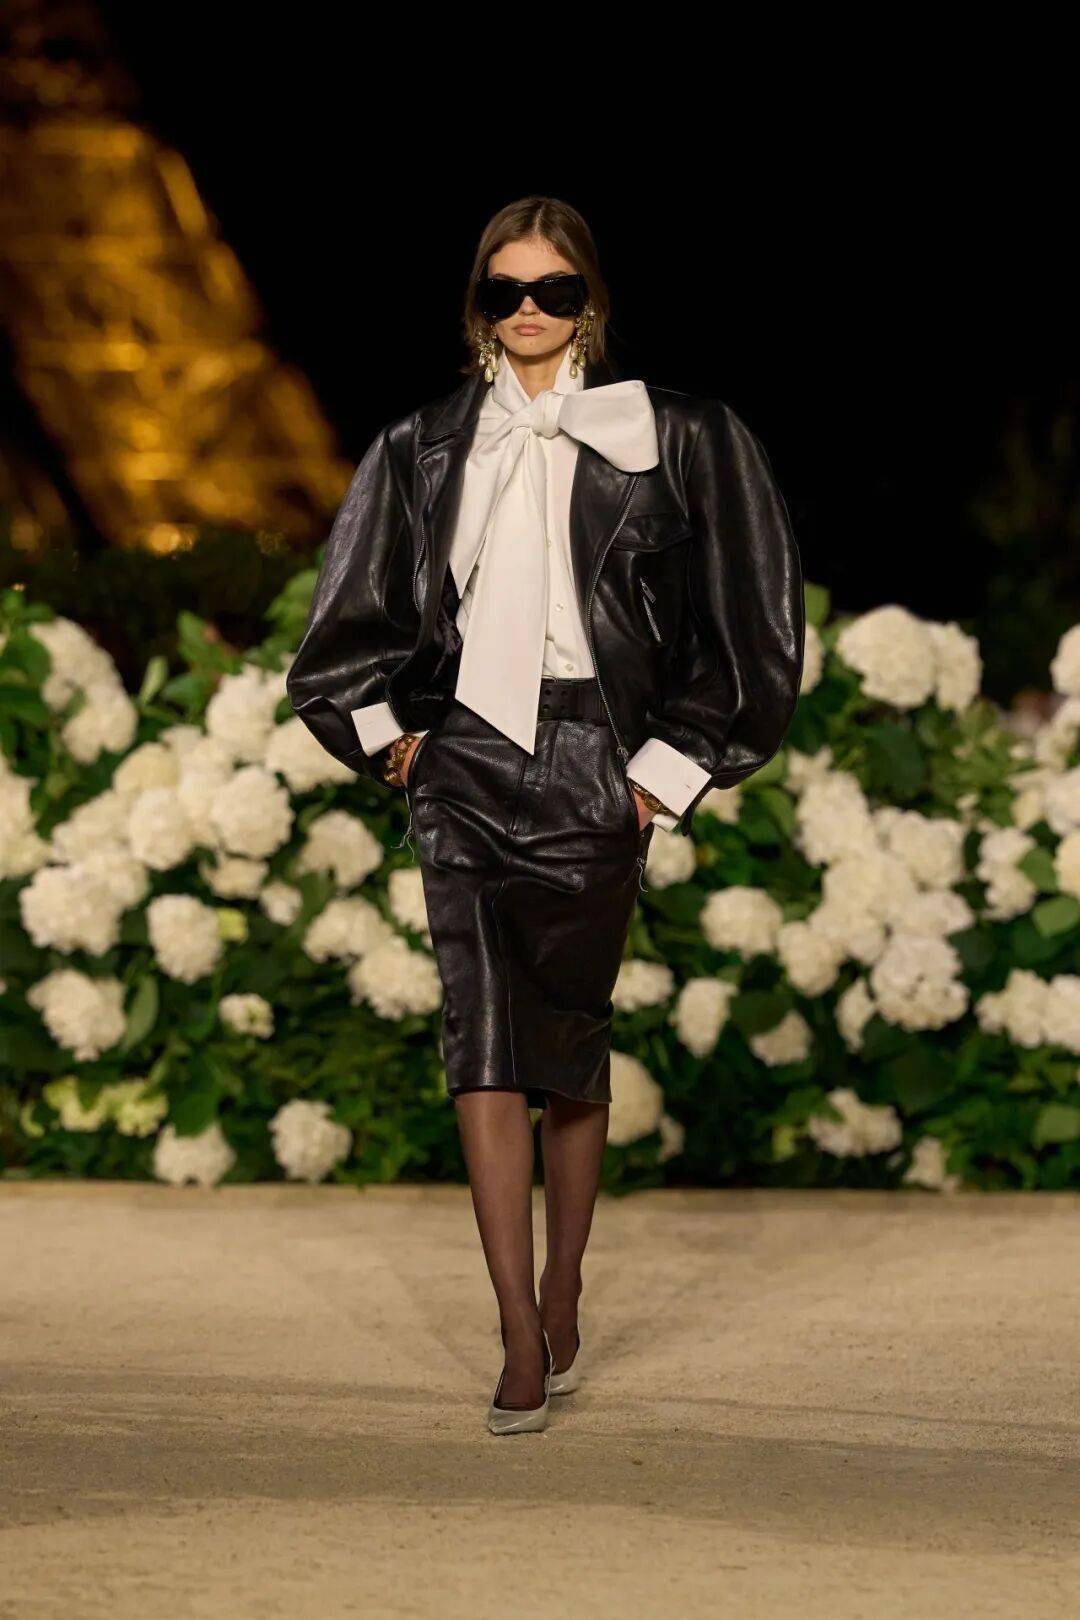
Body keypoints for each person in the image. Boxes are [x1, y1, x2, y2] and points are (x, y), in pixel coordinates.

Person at [286, 195, 805, 1434]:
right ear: (478, 306)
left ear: (591, 303)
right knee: (480, 1037)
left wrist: (665, 774)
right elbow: (341, 632)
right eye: (504, 290)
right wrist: (394, 741)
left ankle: (564, 1282)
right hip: (464, 763)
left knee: (565, 1040)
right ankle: (516, 1329)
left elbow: (756, 623)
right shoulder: (420, 446)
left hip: (593, 761)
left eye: (553, 290)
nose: (528, 310)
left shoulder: (679, 436)